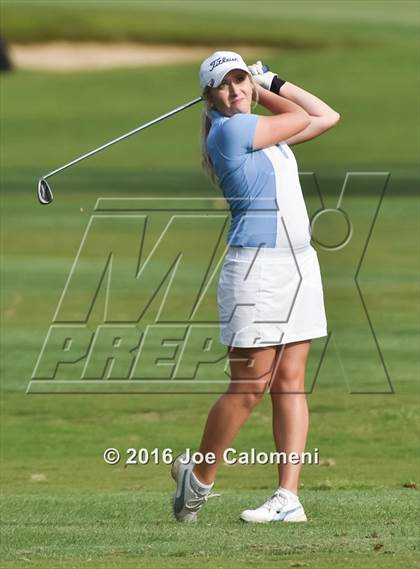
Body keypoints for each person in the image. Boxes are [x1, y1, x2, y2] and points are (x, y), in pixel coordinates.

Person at [171, 51, 340, 523]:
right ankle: (199, 478)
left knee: (290, 384)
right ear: (209, 99)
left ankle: (289, 498)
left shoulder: (265, 133)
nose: (235, 91)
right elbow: (305, 113)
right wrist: (268, 86)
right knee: (249, 386)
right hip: (257, 270)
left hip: (299, 266)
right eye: (224, 86)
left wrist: (266, 81)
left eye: (239, 81)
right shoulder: (232, 130)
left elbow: (329, 116)